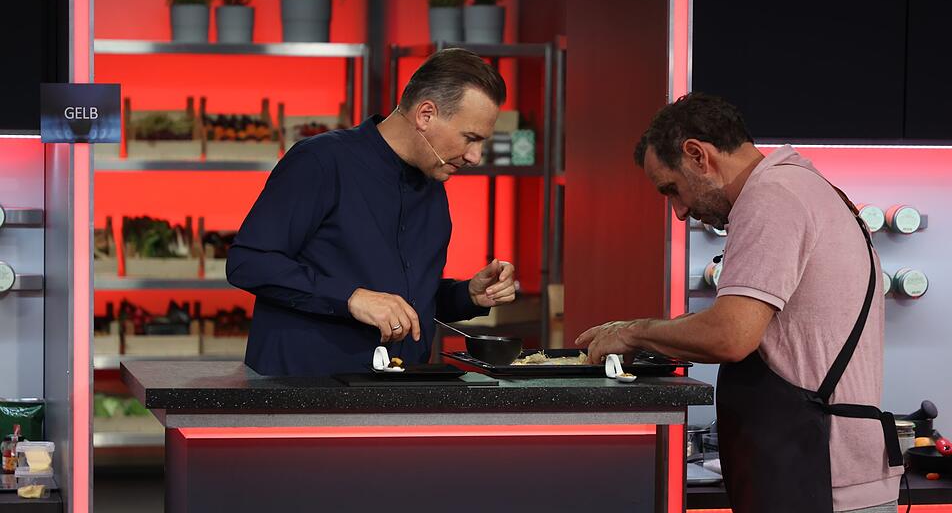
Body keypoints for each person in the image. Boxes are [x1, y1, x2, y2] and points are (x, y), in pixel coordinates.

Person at [575, 93, 903, 513]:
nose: (679, 211)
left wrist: (633, 333)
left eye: (672, 189)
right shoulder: (804, 187)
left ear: (697, 155)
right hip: (822, 474)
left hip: (822, 478)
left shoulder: (771, 197)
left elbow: (731, 335)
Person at [227, 48, 517, 376]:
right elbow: (249, 261)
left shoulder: (432, 182)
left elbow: (407, 298)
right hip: (304, 388)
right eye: (470, 138)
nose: (475, 156)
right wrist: (351, 298)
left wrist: (467, 295)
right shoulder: (321, 161)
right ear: (425, 115)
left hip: (397, 390)